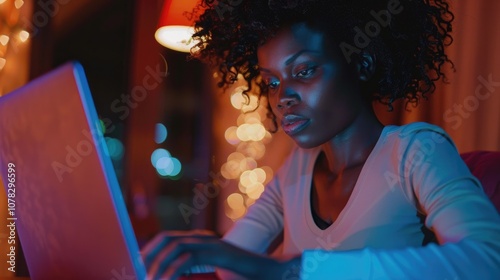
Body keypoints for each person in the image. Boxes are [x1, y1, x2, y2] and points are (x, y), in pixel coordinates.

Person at [142, 0, 500, 279]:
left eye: (304, 71)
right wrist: (196, 252)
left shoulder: (415, 150)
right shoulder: (296, 169)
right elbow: (233, 261)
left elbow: (486, 259)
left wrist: (292, 270)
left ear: (361, 64)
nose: (283, 97)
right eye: (272, 81)